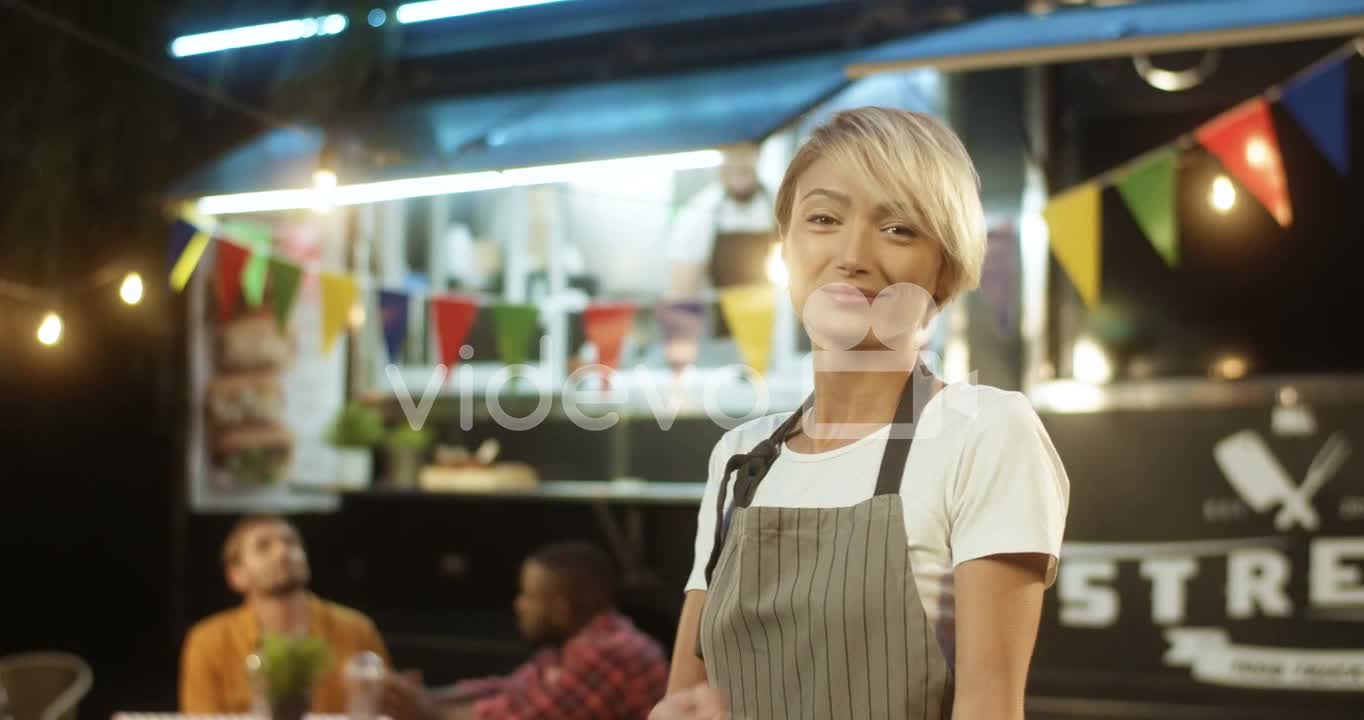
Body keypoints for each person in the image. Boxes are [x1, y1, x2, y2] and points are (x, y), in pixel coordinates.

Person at [651, 107, 1070, 720]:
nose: (852, 255)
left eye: (898, 229)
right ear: (785, 248)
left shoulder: (984, 433)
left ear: (945, 270)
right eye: (822, 219)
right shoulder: (741, 461)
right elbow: (685, 702)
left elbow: (989, 710)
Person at [383, 541, 668, 720]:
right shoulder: (572, 644)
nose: (519, 606)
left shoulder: (609, 653)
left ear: (561, 608)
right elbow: (509, 689)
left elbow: (524, 716)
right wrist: (428, 694)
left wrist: (424, 710)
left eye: (528, 596)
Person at [179, 514, 390, 713]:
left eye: (290, 542)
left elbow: (387, 709)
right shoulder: (207, 641)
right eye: (263, 546)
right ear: (236, 575)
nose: (282, 552)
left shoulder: (357, 629)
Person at [667, 143, 776, 298]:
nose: (738, 162)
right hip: (721, 317)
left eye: (744, 156)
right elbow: (682, 289)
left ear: (757, 155)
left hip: (777, 315)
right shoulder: (698, 213)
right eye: (732, 156)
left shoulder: (779, 203)